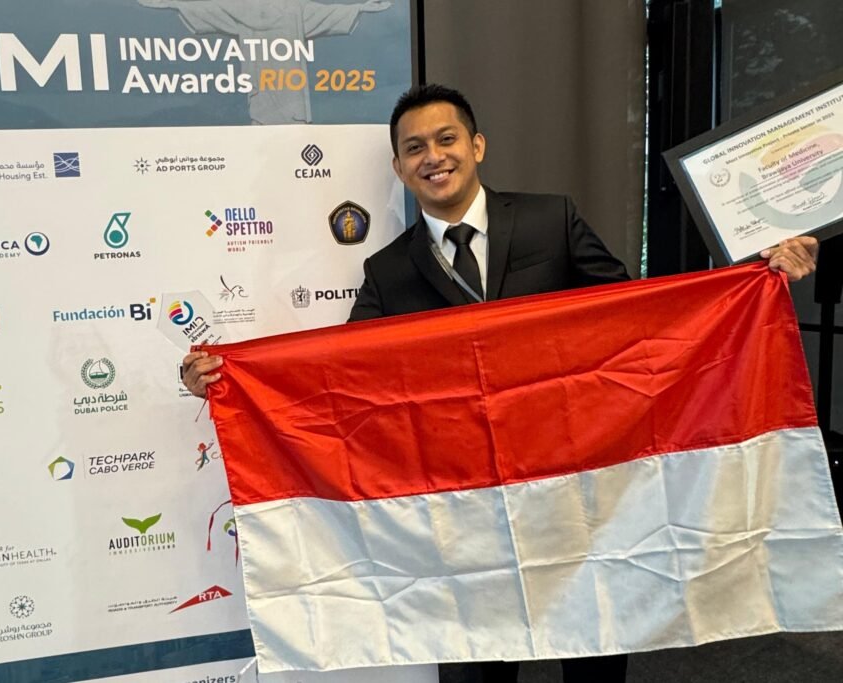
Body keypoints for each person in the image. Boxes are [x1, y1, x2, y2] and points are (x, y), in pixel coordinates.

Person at [181, 84, 819, 682]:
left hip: (575, 487)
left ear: (476, 145)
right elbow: (335, 376)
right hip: (464, 511)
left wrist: (751, 279)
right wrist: (229, 379)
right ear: (400, 168)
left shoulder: (550, 220)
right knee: (477, 661)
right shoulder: (388, 270)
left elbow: (638, 315)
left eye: (446, 139)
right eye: (414, 148)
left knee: (594, 649)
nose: (433, 157)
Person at [137, 0, 392, 124]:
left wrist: (171, 3)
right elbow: (331, 14)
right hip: (286, 103)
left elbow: (206, 10)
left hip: (272, 99)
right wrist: (361, 7)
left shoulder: (243, 9)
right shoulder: (293, 10)